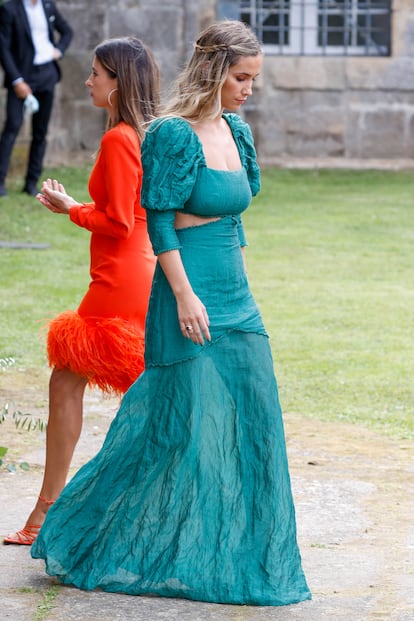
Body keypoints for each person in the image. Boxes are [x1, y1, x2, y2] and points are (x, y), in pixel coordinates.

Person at [31, 21, 311, 606]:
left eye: (254, 78)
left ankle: (252, 558)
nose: (249, 89)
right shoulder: (170, 136)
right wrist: (184, 295)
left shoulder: (237, 130)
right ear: (214, 70)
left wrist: (235, 282)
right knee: (167, 429)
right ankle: (76, 530)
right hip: (185, 292)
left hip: (236, 294)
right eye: (241, 77)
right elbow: (156, 221)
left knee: (257, 416)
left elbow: (236, 214)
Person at [3, 36, 159, 545]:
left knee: (67, 384)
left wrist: (69, 208)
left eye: (96, 73)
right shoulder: (145, 133)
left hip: (117, 278)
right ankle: (127, 511)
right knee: (137, 393)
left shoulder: (119, 139)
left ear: (117, 83)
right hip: (142, 270)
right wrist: (74, 204)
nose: (88, 81)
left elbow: (115, 221)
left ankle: (47, 512)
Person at [0, 0, 73, 197]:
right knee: (12, 128)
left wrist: (59, 50)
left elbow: (67, 31)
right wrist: (17, 80)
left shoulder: (48, 6)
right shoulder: (9, 8)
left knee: (40, 132)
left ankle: (31, 183)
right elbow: (3, 47)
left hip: (47, 74)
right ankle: (0, 183)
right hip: (22, 76)